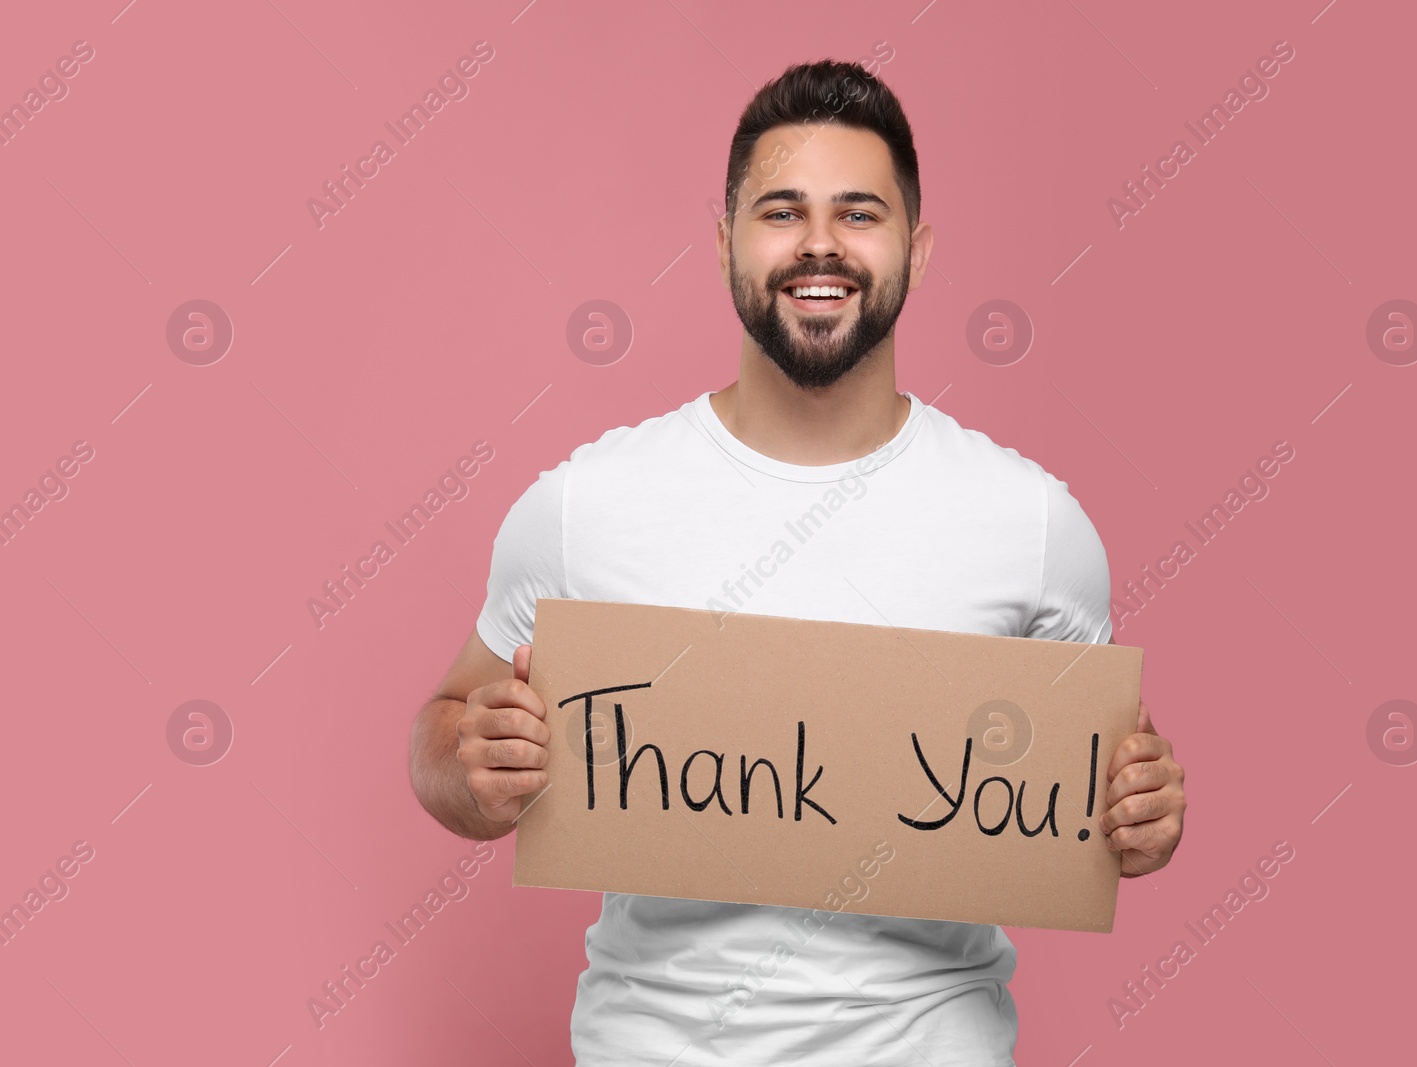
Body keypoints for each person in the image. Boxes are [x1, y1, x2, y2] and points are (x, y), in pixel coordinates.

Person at [409, 58, 1185, 1066]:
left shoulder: (1031, 523)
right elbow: (444, 733)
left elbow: (1108, 779)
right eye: (782, 211)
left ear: (918, 244)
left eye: (859, 212)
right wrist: (471, 762)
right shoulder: (584, 506)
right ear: (725, 240)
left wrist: (1147, 811)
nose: (820, 243)